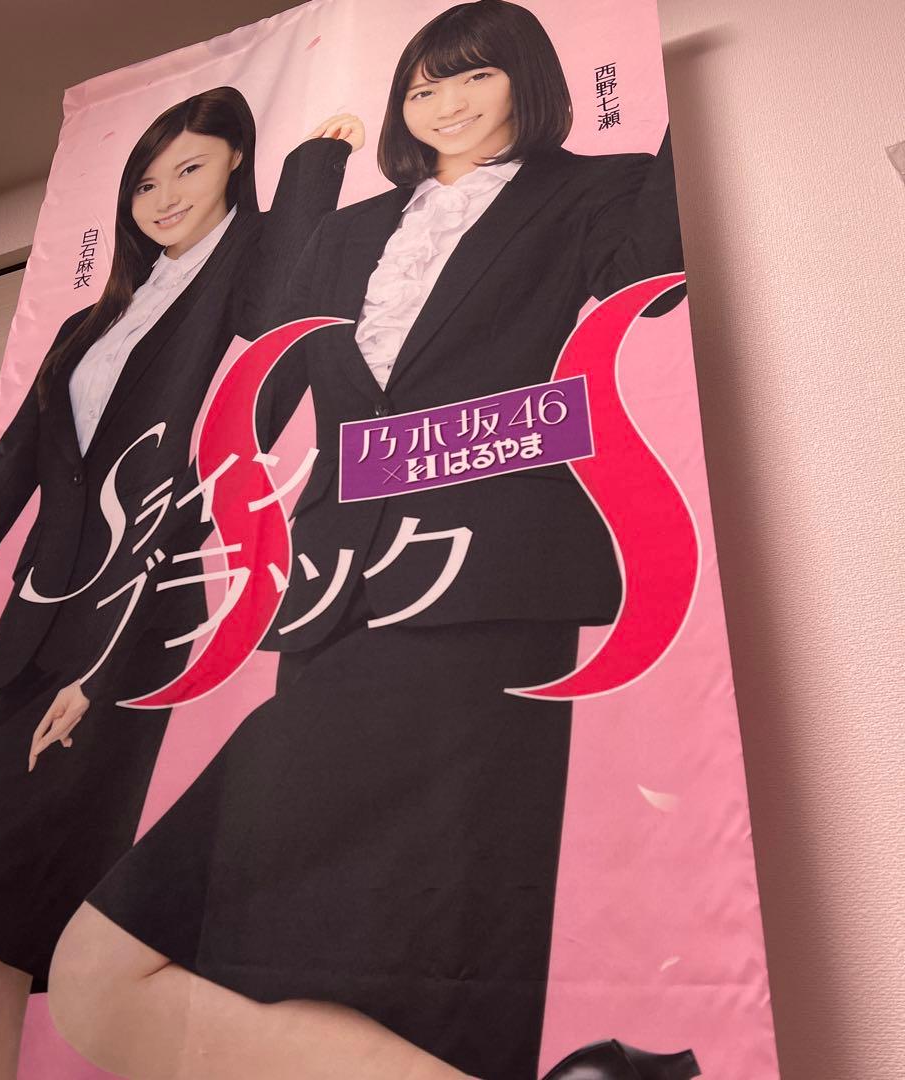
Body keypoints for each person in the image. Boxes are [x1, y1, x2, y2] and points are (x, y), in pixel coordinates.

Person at [49, 5, 694, 1080]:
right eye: (423, 86)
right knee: (207, 965)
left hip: (488, 591)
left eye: (474, 77)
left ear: (526, 82)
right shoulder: (352, 230)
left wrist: (678, 112)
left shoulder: (586, 189)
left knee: (432, 938)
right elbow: (267, 354)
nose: (445, 104)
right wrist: (310, 173)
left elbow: (654, 281)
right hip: (341, 595)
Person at [0, 87, 362, 1080]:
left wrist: (313, 172)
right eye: (146, 181)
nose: (163, 197)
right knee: (0, 931)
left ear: (238, 165)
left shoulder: (240, 289)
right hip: (35, 636)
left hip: (130, 638)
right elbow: (7, 483)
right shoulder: (90, 321)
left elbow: (283, 331)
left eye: (190, 168)